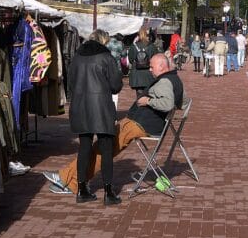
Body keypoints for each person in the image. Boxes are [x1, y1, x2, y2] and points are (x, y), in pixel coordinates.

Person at [43, 53, 184, 196]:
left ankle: (67, 179)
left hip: (141, 125)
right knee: (101, 148)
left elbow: (167, 104)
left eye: (152, 67)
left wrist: (148, 101)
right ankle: (67, 178)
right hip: (141, 123)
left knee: (102, 149)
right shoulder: (173, 79)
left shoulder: (165, 81)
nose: (149, 69)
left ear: (161, 66)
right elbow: (178, 102)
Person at [67, 29, 123, 205]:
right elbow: (115, 86)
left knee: (84, 148)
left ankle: (82, 189)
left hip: (81, 106)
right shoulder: (106, 57)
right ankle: (108, 192)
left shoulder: (76, 58)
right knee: (106, 150)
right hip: (101, 108)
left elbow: (70, 84)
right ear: (103, 41)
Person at [128, 26, 158, 97]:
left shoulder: (133, 46)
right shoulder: (152, 46)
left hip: (137, 74)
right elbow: (156, 59)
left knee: (139, 96)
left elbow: (131, 60)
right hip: (149, 74)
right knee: (148, 96)